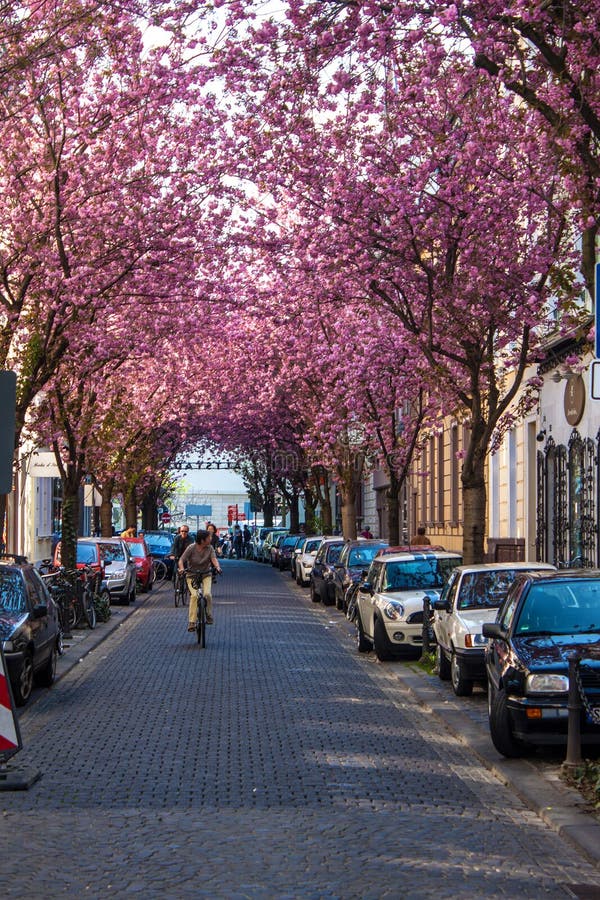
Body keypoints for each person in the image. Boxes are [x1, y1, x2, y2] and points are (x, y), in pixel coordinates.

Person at [179, 529, 222, 629]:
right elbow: (181, 560)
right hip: (191, 575)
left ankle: (208, 615)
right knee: (194, 596)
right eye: (209, 537)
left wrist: (217, 567)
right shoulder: (191, 548)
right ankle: (192, 622)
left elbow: (214, 559)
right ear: (202, 540)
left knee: (207, 594)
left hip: (205, 574)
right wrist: (181, 569)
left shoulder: (210, 548)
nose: (211, 539)